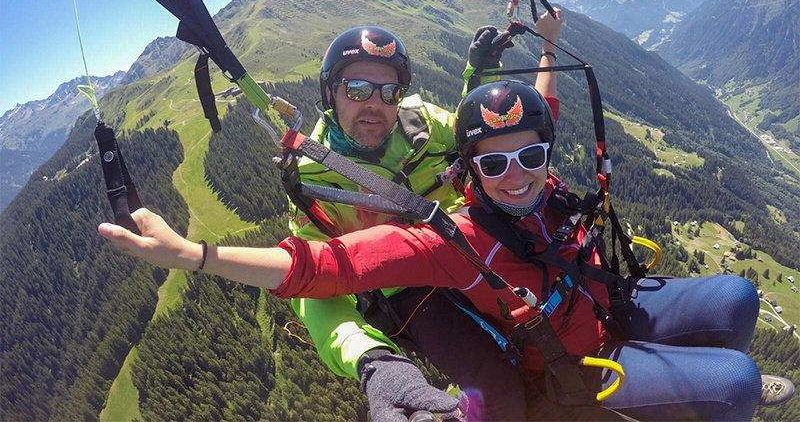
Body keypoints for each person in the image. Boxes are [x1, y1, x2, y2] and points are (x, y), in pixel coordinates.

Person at [99, 74, 795, 420]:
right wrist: (192, 256)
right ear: (468, 172)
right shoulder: (448, 240)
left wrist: (545, 50)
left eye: (529, 158)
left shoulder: (538, 181)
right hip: (579, 359)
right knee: (734, 386)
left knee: (739, 294)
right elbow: (323, 267)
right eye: (494, 165)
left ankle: (697, 370)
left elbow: (535, 110)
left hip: (602, 303)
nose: (516, 175)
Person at [265, 22, 556, 420]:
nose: (375, 104)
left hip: (470, 248)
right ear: (329, 93)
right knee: (497, 388)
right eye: (357, 89)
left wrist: (482, 73)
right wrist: (372, 361)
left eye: (389, 92)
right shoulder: (314, 180)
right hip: (409, 292)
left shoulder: (421, 123)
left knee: (552, 343)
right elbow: (316, 286)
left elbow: (478, 137)